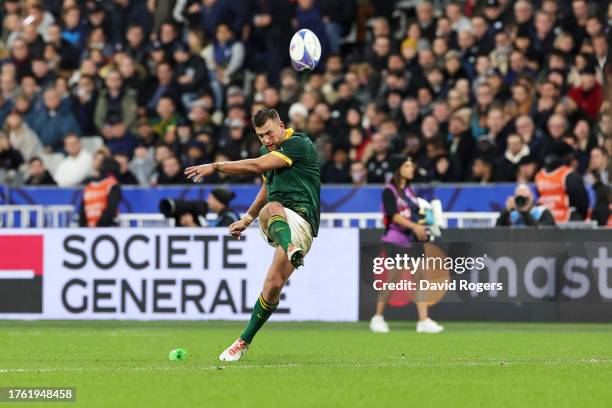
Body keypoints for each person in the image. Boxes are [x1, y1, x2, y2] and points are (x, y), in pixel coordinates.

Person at [185, 107, 320, 361]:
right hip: (279, 222)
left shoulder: (299, 144)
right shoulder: (267, 152)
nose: (266, 140)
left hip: (301, 221)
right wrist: (247, 218)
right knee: (271, 283)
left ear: (281, 125)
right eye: (260, 136)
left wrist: (215, 167)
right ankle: (242, 342)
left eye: (269, 133)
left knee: (273, 285)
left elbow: (257, 166)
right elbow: (267, 186)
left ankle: (291, 247)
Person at [369, 157, 444, 334]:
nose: (412, 169)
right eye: (407, 166)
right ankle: (377, 318)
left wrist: (427, 222)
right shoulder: (389, 191)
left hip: (413, 238)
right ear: (398, 169)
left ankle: (423, 320)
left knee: (421, 276)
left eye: (411, 165)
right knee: (393, 279)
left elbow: (414, 213)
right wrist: (414, 226)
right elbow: (393, 215)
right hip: (396, 238)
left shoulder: (409, 190)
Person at [535, 142, 589, 223]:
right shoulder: (569, 175)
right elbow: (583, 202)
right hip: (568, 221)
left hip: (546, 222)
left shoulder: (539, 176)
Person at [78, 158, 122, 227]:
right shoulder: (112, 184)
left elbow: (82, 210)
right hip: (105, 228)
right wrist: (99, 226)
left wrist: (83, 228)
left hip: (89, 227)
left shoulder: (90, 185)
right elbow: (111, 207)